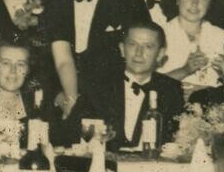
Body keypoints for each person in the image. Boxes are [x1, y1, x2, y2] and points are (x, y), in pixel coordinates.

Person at [72, 22, 185, 151]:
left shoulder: (171, 90)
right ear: (122, 49)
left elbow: (175, 139)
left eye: (148, 46)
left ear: (160, 54)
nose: (138, 53)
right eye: (132, 44)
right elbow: (72, 131)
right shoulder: (98, 85)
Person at [158, 0, 224, 89]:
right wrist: (185, 70)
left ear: (210, 3)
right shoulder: (158, 35)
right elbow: (148, 85)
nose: (195, 3)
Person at [0, 42, 54, 150]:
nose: (13, 71)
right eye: (6, 63)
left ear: (27, 70)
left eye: (20, 64)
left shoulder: (37, 103)